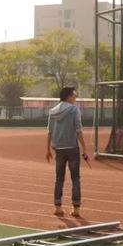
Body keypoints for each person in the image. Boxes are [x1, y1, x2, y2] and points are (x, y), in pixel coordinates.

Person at [46, 86, 89, 218]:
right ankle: (76, 209)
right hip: (72, 148)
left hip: (58, 148)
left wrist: (47, 149)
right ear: (69, 96)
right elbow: (78, 130)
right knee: (75, 178)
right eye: (74, 95)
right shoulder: (74, 110)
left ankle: (58, 207)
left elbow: (50, 131)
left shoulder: (53, 111)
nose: (75, 97)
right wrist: (84, 148)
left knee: (59, 178)